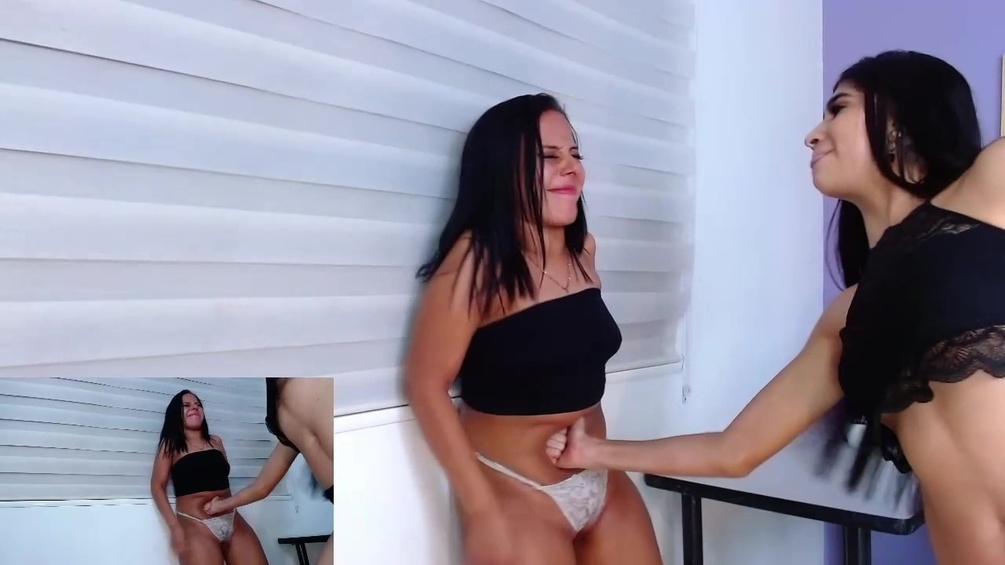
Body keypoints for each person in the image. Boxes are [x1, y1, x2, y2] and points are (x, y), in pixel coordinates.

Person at [547, 50, 1005, 565]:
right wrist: (596, 452)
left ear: (898, 122)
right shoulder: (850, 318)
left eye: (839, 108)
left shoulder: (989, 191)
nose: (813, 134)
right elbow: (734, 451)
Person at [404, 93, 660, 565]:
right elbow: (425, 385)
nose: (571, 168)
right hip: (517, 493)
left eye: (574, 154)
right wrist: (482, 510)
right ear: (502, 170)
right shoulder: (476, 263)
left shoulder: (584, 252)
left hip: (600, 478)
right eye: (549, 157)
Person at [203, 378, 334, 565]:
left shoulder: (291, 402)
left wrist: (220, 506)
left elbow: (261, 487)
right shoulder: (286, 408)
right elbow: (261, 487)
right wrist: (220, 506)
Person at [151, 389, 268, 565]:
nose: (194, 408)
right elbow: (157, 486)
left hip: (232, 519)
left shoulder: (216, 441)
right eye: (186, 405)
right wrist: (174, 527)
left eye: (198, 405)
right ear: (176, 413)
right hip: (196, 524)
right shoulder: (170, 445)